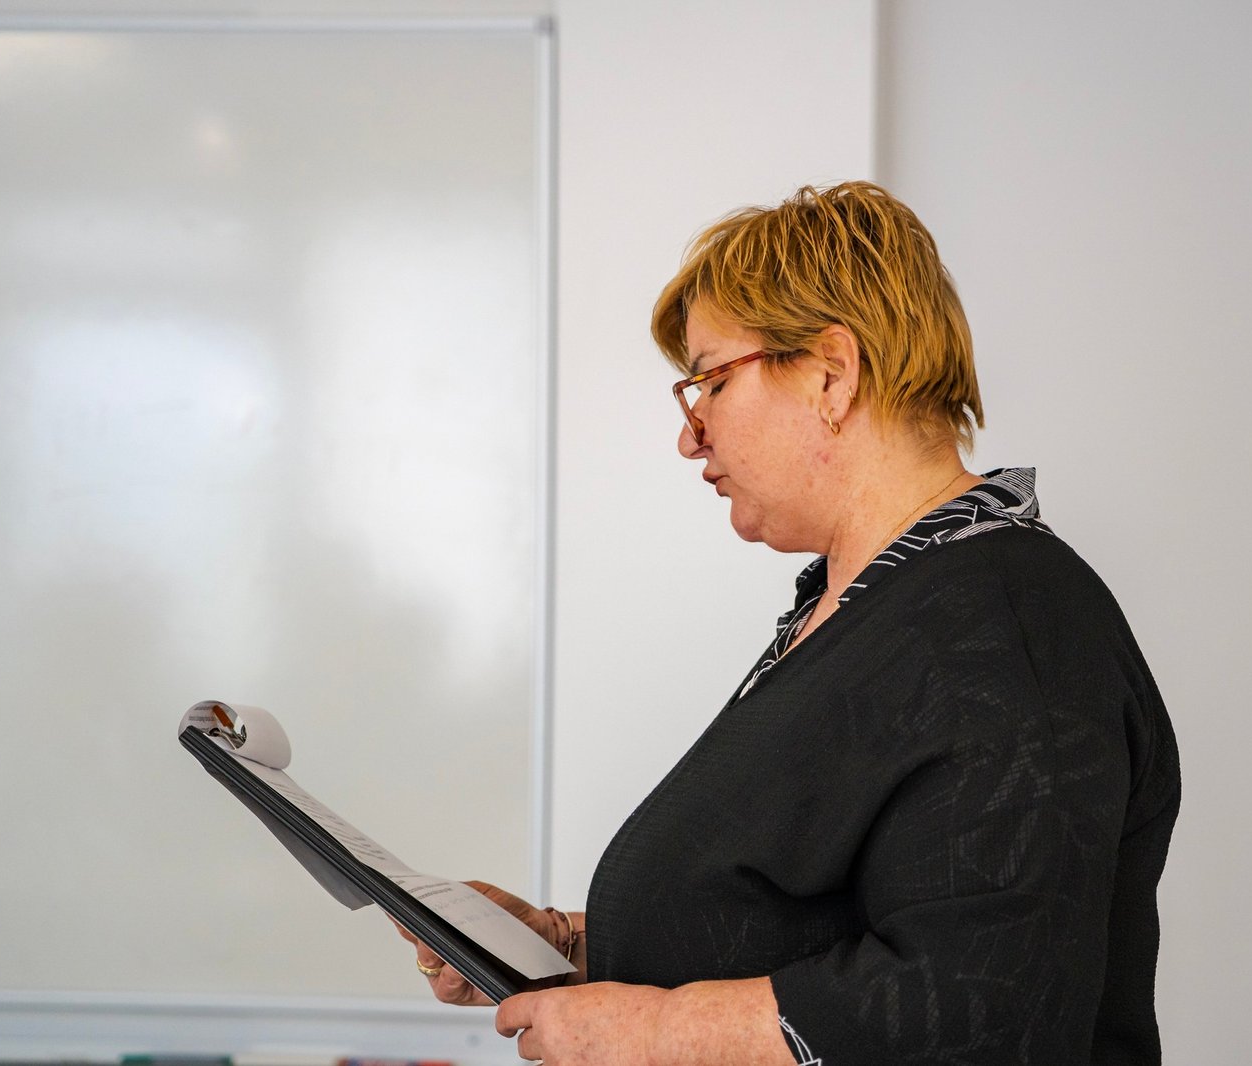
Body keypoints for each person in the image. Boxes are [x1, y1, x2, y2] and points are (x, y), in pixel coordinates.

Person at [399, 181, 1181, 1065]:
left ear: (830, 374)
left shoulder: (1004, 628)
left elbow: (982, 1001)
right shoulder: (874, 606)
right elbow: (801, 919)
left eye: (711, 381)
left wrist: (657, 1034)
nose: (690, 435)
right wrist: (559, 946)